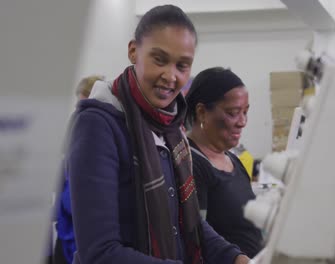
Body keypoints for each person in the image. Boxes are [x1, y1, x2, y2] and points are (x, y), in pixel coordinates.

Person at [66, 5, 249, 264]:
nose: (170, 76)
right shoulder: (99, 125)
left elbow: (190, 222)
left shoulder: (172, 127)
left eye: (182, 66)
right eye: (159, 59)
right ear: (133, 51)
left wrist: (235, 258)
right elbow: (99, 253)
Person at [185, 67, 263, 258]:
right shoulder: (192, 164)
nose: (242, 121)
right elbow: (196, 240)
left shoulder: (232, 158)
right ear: (202, 112)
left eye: (245, 112)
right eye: (233, 112)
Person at [53, 75, 105, 264]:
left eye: (83, 103)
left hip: (84, 234)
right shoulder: (76, 125)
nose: (78, 109)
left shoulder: (103, 134)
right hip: (66, 229)